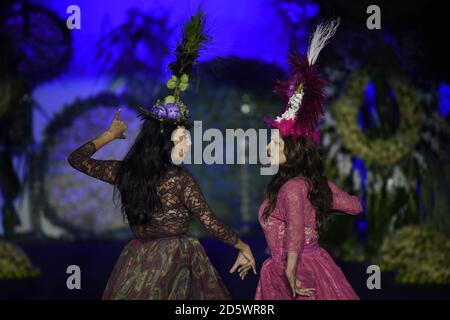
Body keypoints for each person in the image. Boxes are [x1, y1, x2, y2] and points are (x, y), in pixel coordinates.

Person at [68, 9, 255, 299]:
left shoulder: (126, 172)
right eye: (182, 139)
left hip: (138, 261)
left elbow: (77, 159)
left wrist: (108, 136)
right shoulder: (178, 180)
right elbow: (209, 221)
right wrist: (243, 246)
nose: (188, 145)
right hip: (172, 262)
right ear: (164, 143)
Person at [231, 19, 362, 300]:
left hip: (296, 273)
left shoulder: (293, 188)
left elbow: (293, 236)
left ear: (292, 150)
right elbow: (354, 206)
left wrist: (290, 270)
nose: (267, 148)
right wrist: (321, 197)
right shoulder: (307, 184)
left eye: (275, 143)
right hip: (310, 266)